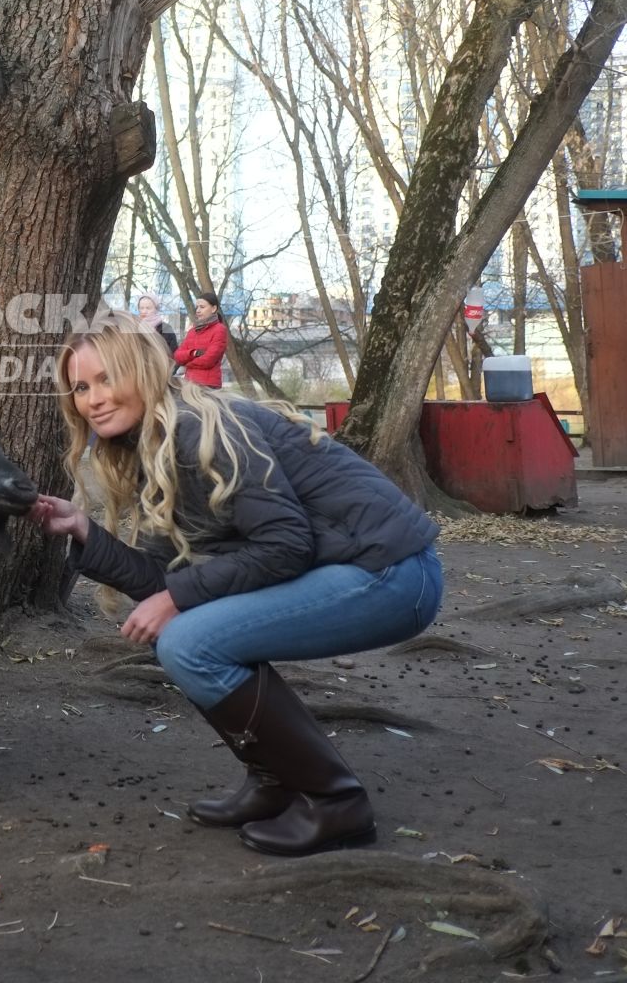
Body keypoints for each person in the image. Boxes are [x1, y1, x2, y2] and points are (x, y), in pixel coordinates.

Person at [29, 314, 442, 856]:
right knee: (191, 633)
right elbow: (165, 579)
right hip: (353, 569)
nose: (93, 399)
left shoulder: (198, 429)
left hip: (392, 572)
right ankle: (275, 782)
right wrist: (83, 529)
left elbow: (285, 544)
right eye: (81, 388)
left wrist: (175, 599)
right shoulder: (152, 444)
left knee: (189, 640)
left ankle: (337, 802)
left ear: (144, 370)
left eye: (106, 379)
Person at [173, 291, 228, 388]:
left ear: (213, 308)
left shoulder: (220, 330)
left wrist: (187, 364)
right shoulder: (192, 331)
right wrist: (193, 353)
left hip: (209, 386)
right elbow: (177, 356)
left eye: (202, 307)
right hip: (189, 383)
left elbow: (209, 360)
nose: (198, 310)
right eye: (197, 307)